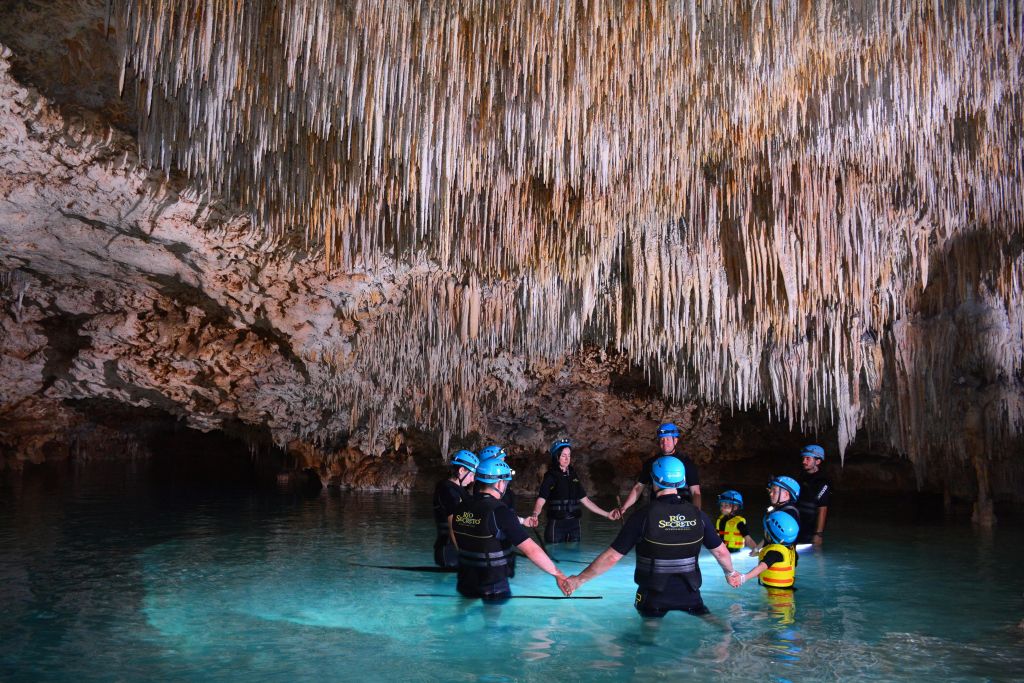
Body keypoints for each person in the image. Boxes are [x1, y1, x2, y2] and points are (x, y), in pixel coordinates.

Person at [560, 456, 741, 617]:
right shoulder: (699, 516)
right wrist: (730, 573)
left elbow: (612, 557)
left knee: (648, 635)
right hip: (690, 594)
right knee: (709, 620)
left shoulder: (643, 516)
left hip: (652, 596)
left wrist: (578, 580)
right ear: (682, 481)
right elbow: (721, 553)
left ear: (654, 480)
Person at [449, 457, 567, 601]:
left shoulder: (460, 507)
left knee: (464, 610)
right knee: (492, 615)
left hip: (466, 580)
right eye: (506, 482)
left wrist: (521, 521)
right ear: (500, 483)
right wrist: (558, 574)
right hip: (492, 584)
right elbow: (531, 550)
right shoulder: (500, 511)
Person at [528, 440, 614, 543]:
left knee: (574, 551)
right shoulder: (551, 476)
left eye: (569, 455)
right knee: (554, 551)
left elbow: (586, 501)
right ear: (556, 457)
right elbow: (541, 500)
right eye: (563, 455)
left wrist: (607, 514)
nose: (567, 458)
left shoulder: (573, 476)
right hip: (556, 525)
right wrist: (535, 514)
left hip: (574, 525)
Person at [614, 423, 701, 519]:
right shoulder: (651, 463)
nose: (664, 442)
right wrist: (624, 507)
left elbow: (695, 492)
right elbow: (639, 487)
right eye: (662, 439)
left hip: (682, 510)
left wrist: (697, 515)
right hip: (658, 510)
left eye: (668, 439)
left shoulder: (686, 463)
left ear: (675, 440)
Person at [432, 449, 478, 568]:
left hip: (453, 549)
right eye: (471, 474)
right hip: (450, 552)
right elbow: (454, 525)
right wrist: (464, 554)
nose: (472, 479)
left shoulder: (458, 490)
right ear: (461, 470)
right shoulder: (448, 491)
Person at [734, 510, 799, 589]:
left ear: (770, 534)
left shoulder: (774, 553)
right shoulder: (790, 549)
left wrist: (743, 578)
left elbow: (761, 567)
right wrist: (756, 549)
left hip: (774, 592)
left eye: (766, 530)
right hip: (786, 588)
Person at [750, 476, 801, 554]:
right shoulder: (780, 509)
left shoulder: (790, 513)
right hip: (777, 554)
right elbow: (771, 535)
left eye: (774, 491)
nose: (771, 494)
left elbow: (779, 539)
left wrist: (758, 550)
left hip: (778, 556)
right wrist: (757, 549)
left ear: (786, 494)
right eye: (771, 490)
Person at [795, 444, 830, 546]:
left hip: (810, 527)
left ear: (817, 461)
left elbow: (822, 508)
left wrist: (818, 534)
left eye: (807, 458)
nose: (803, 461)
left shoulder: (822, 482)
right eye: (803, 458)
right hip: (798, 523)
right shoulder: (802, 476)